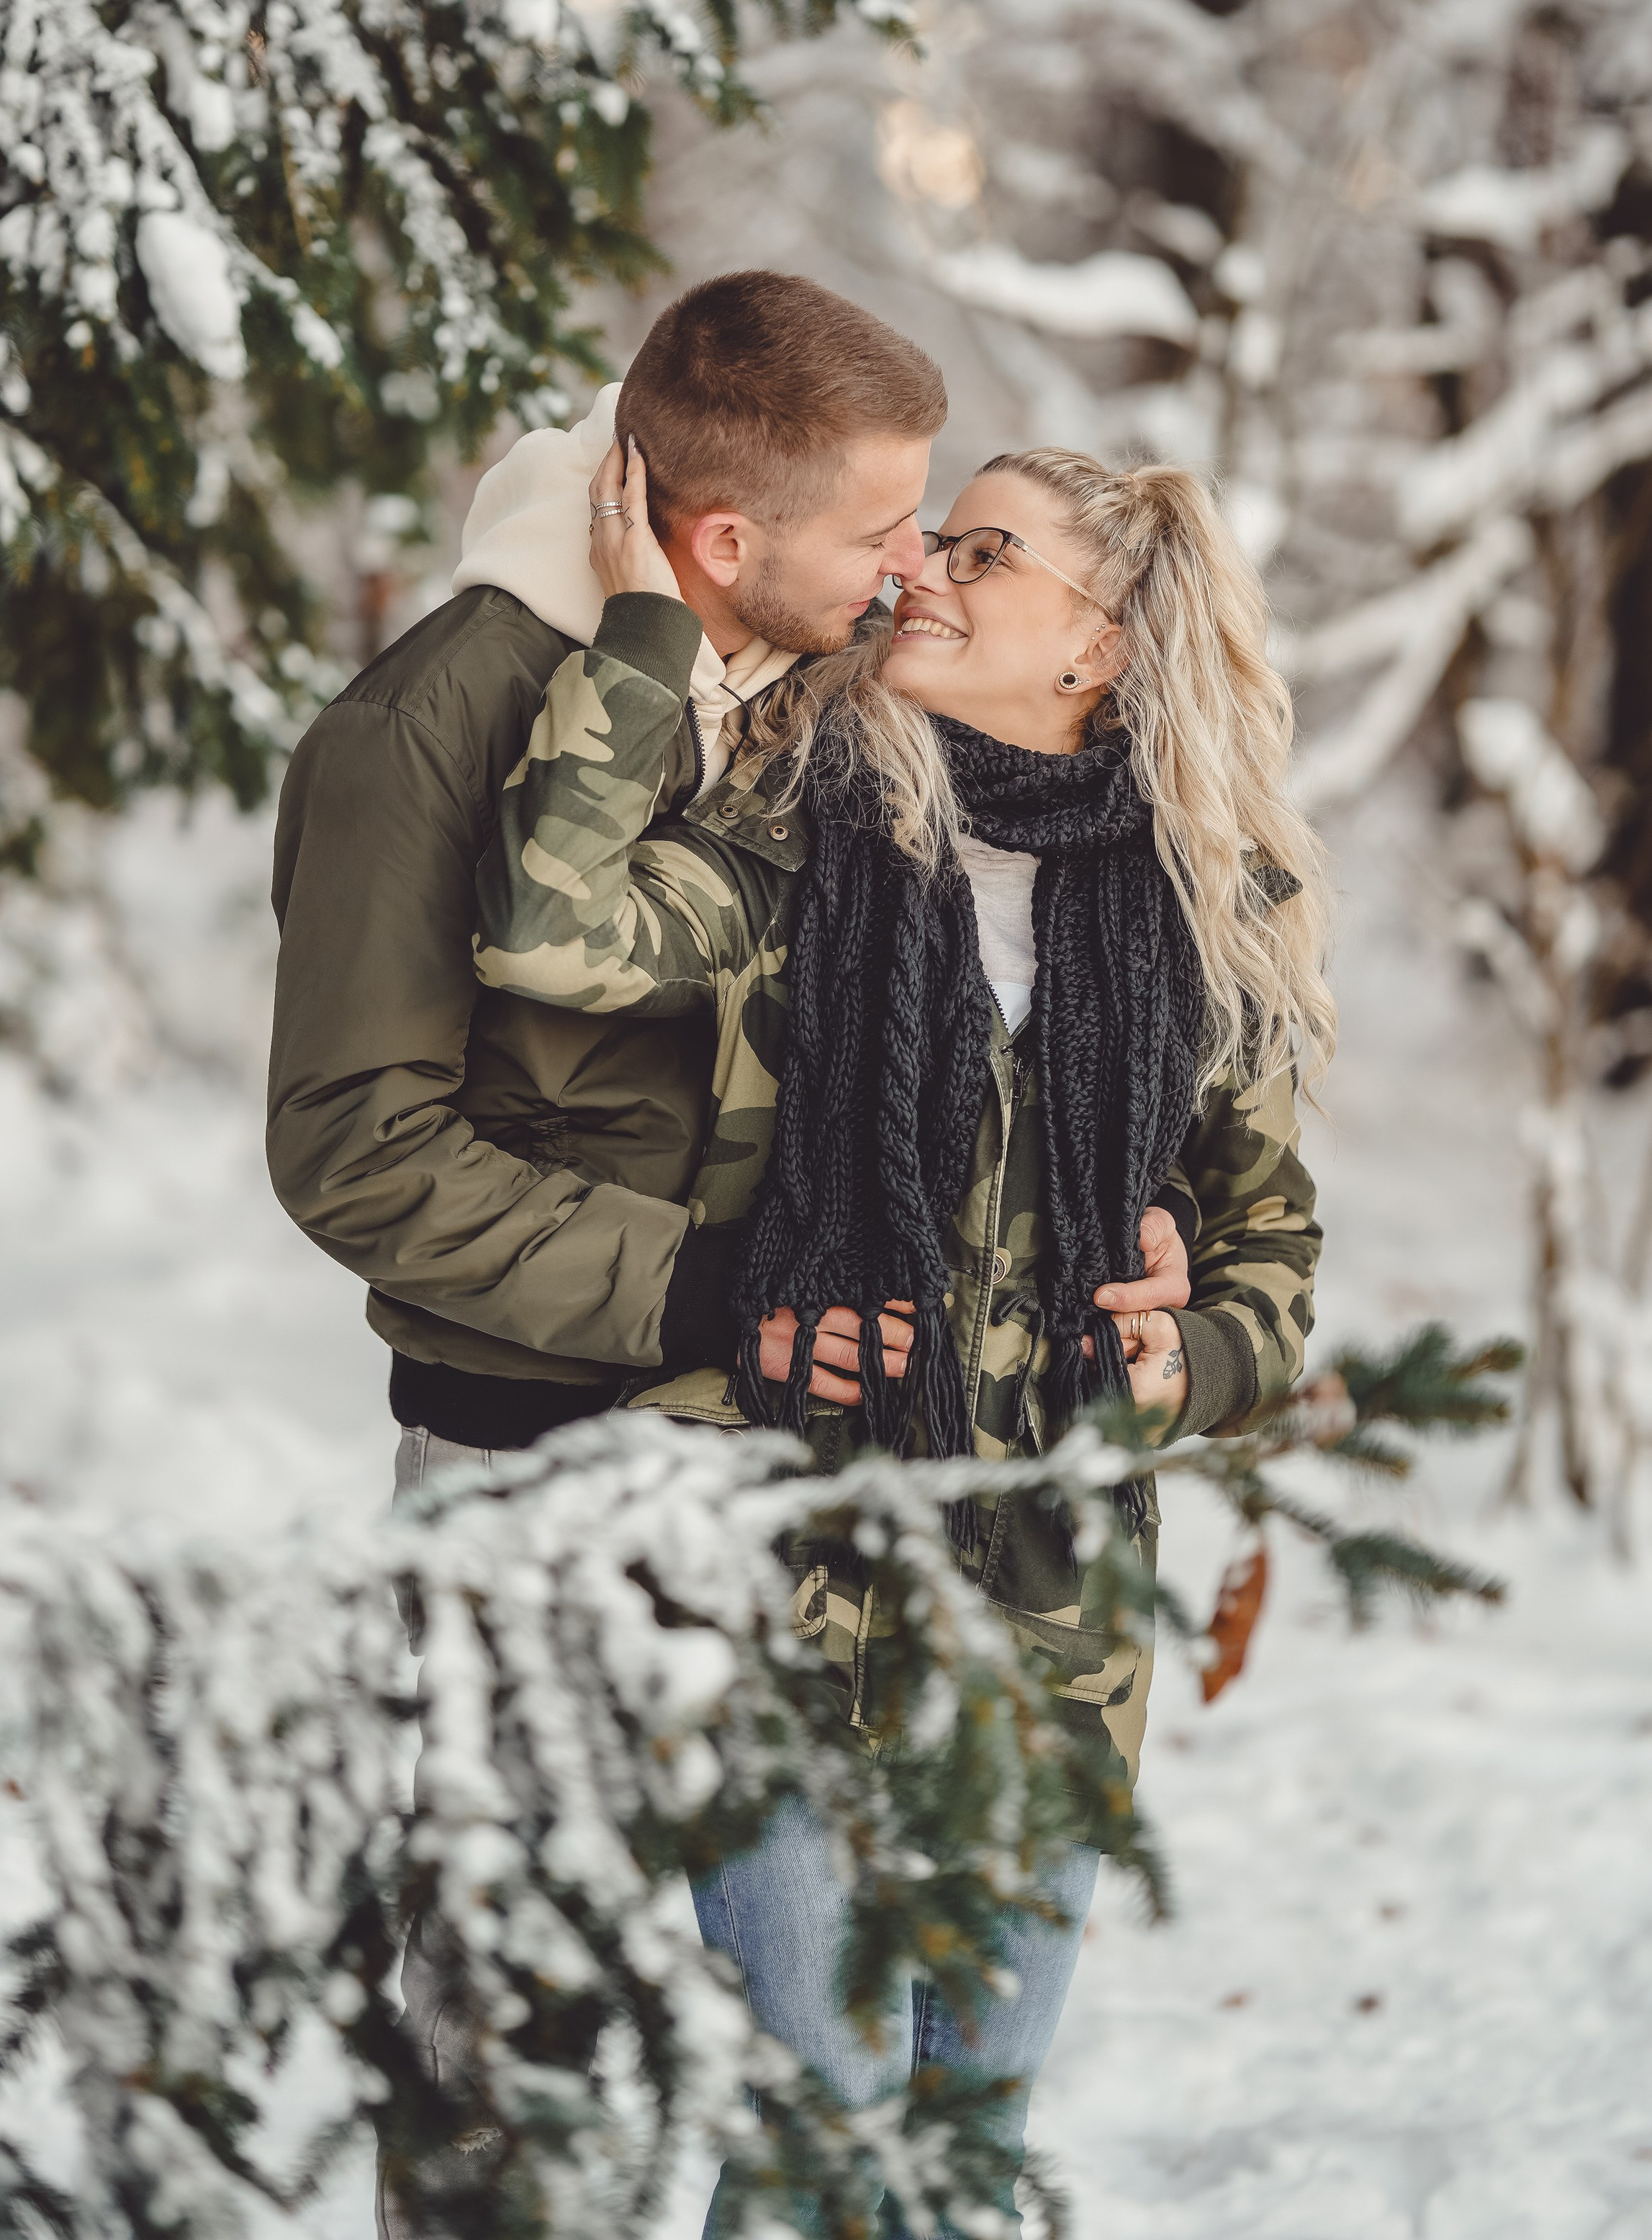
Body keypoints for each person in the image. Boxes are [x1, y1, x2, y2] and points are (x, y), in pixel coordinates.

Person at [266, 271, 1197, 2235]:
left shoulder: (805, 701)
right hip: (539, 1452)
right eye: (883, 533)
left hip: (788, 1479)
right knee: (530, 2025)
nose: (905, 577)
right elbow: (357, 1148)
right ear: (717, 537)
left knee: (804, 2055)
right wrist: (713, 1292)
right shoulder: (434, 723)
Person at [470, 432, 1332, 2234]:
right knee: (820, 2117)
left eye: (983, 550)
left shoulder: (1198, 916)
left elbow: (1269, 1249)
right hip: (776, 1582)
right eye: (928, 537)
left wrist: (1199, 1351)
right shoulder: (800, 830)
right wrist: (642, 632)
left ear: (1094, 648)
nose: (919, 568)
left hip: (1047, 1625)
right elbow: (548, 935)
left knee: (961, 2138)